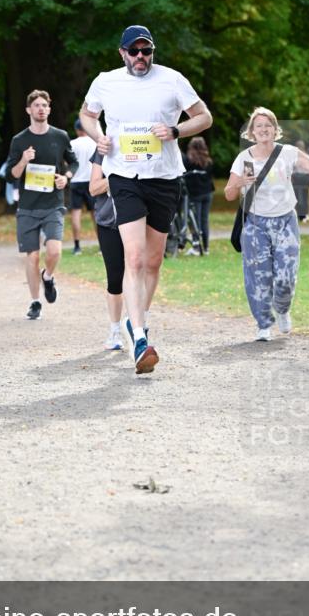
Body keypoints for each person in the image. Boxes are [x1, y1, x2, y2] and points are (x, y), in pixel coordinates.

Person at [80, 24, 212, 373]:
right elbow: (87, 114)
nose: (141, 57)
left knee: (153, 262)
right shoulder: (105, 81)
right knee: (134, 259)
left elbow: (204, 116)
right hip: (124, 176)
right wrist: (98, 138)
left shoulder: (172, 79)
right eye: (134, 51)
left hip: (165, 177)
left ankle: (138, 318)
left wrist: (176, 130)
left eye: (146, 51)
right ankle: (139, 337)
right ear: (122, 53)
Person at [225, 107, 309, 341]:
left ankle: (282, 309)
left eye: (268, 125)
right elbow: (229, 194)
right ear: (252, 131)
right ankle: (263, 324)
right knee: (258, 276)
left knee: (286, 276)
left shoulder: (288, 153)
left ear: (275, 129)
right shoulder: (244, 158)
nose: (263, 129)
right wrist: (240, 181)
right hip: (255, 224)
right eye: (258, 126)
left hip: (285, 221)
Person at [7, 89, 78, 320]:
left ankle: (47, 277)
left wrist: (65, 177)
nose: (41, 109)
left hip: (53, 204)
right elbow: (11, 175)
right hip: (27, 206)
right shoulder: (19, 140)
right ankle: (35, 301)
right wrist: (24, 160)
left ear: (49, 109)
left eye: (44, 105)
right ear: (28, 109)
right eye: (36, 105)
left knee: (54, 250)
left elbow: (73, 163)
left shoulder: (60, 136)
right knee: (32, 256)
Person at [89, 149, 125, 351]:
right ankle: (115, 330)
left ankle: (139, 326)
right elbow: (93, 188)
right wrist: (121, 179)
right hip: (109, 222)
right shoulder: (103, 148)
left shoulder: (143, 143)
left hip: (140, 220)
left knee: (139, 272)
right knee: (115, 277)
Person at [69, 119, 97, 254]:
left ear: (77, 130)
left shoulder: (71, 144)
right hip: (92, 180)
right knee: (96, 213)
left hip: (76, 180)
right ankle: (102, 245)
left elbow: (66, 162)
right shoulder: (95, 143)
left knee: (76, 213)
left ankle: (77, 246)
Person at [182, 136, 215, 254]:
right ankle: (206, 248)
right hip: (208, 193)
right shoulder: (208, 161)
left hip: (195, 194)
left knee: (195, 221)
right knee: (204, 220)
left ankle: (196, 246)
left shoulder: (188, 160)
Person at [292, 140, 309, 223]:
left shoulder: (294, 157)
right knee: (304, 198)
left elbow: (291, 169)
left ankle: (301, 216)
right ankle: (305, 215)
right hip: (306, 179)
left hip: (297, 179)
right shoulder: (307, 156)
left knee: (298, 198)